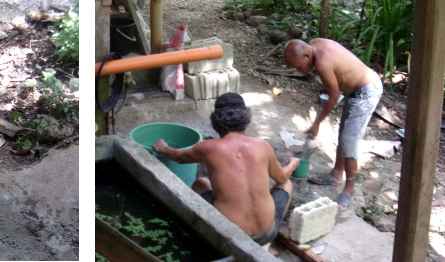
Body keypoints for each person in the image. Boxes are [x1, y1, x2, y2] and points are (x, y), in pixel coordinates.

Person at [153, 93, 299, 249]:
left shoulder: (208, 148)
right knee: (286, 184)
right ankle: (268, 245)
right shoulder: (261, 145)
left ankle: (201, 232)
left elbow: (178, 157)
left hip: (230, 237)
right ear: (246, 120)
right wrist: (292, 164)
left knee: (201, 182)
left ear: (215, 122)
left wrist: (164, 149)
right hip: (267, 233)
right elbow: (282, 178)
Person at [284, 39, 382, 205]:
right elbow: (335, 78)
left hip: (366, 92)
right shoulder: (314, 44)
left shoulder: (322, 63)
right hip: (357, 88)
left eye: (299, 66)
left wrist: (317, 123)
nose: (300, 70)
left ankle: (349, 190)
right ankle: (336, 175)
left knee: (349, 141)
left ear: (307, 55)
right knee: (344, 135)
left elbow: (335, 96)